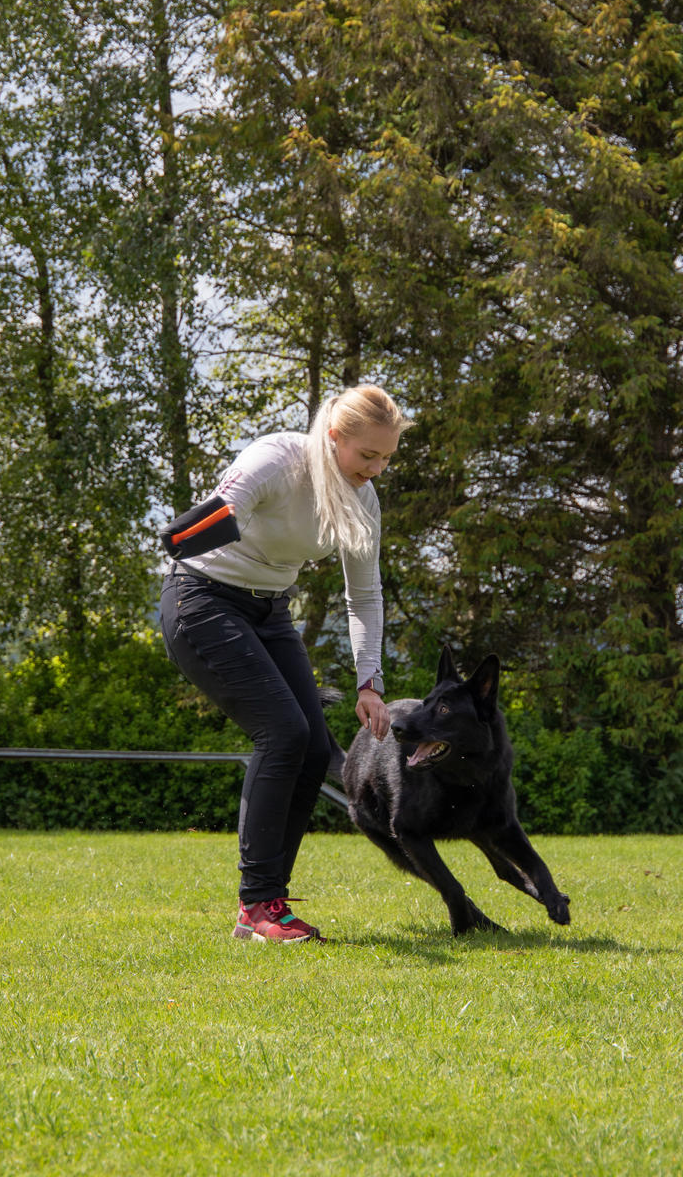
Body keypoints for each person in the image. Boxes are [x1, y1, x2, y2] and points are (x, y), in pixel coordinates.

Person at [159, 384, 410, 944]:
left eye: (387, 457)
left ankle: (270, 903)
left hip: (269, 610)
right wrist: (191, 530)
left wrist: (370, 683)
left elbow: (363, 596)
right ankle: (255, 909)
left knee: (316, 747)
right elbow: (229, 507)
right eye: (367, 455)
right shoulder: (278, 457)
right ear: (333, 436)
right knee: (284, 732)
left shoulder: (363, 499)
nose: (377, 469)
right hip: (202, 599)